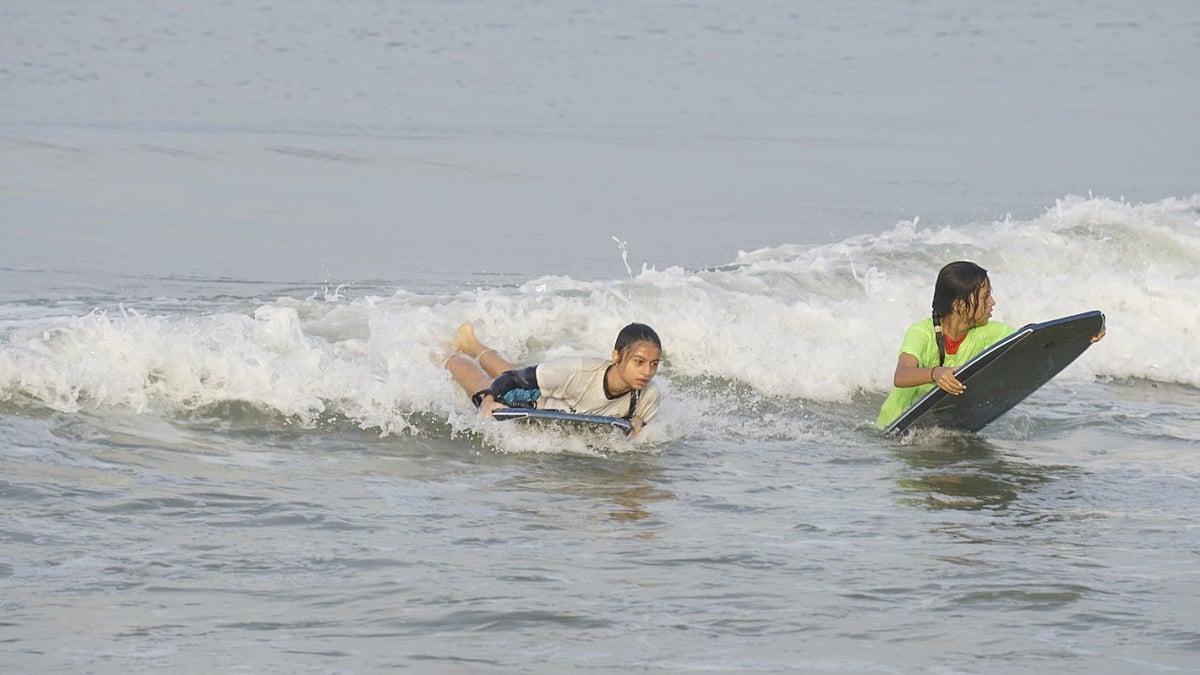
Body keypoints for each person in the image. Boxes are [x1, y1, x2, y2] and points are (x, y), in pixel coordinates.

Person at [875, 260, 1103, 428]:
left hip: (938, 429)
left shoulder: (988, 332)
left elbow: (1030, 340)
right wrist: (936, 373)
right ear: (960, 305)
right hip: (894, 429)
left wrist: (1081, 335)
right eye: (985, 297)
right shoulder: (922, 332)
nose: (992, 302)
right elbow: (902, 375)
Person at [444, 322, 663, 436]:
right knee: (484, 385)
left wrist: (639, 424)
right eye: (639, 362)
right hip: (536, 399)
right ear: (616, 356)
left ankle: (471, 344)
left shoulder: (648, 394)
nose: (647, 372)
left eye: (654, 364)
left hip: (556, 401)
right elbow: (515, 378)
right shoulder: (579, 371)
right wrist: (489, 399)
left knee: (510, 372)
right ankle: (445, 355)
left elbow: (640, 427)